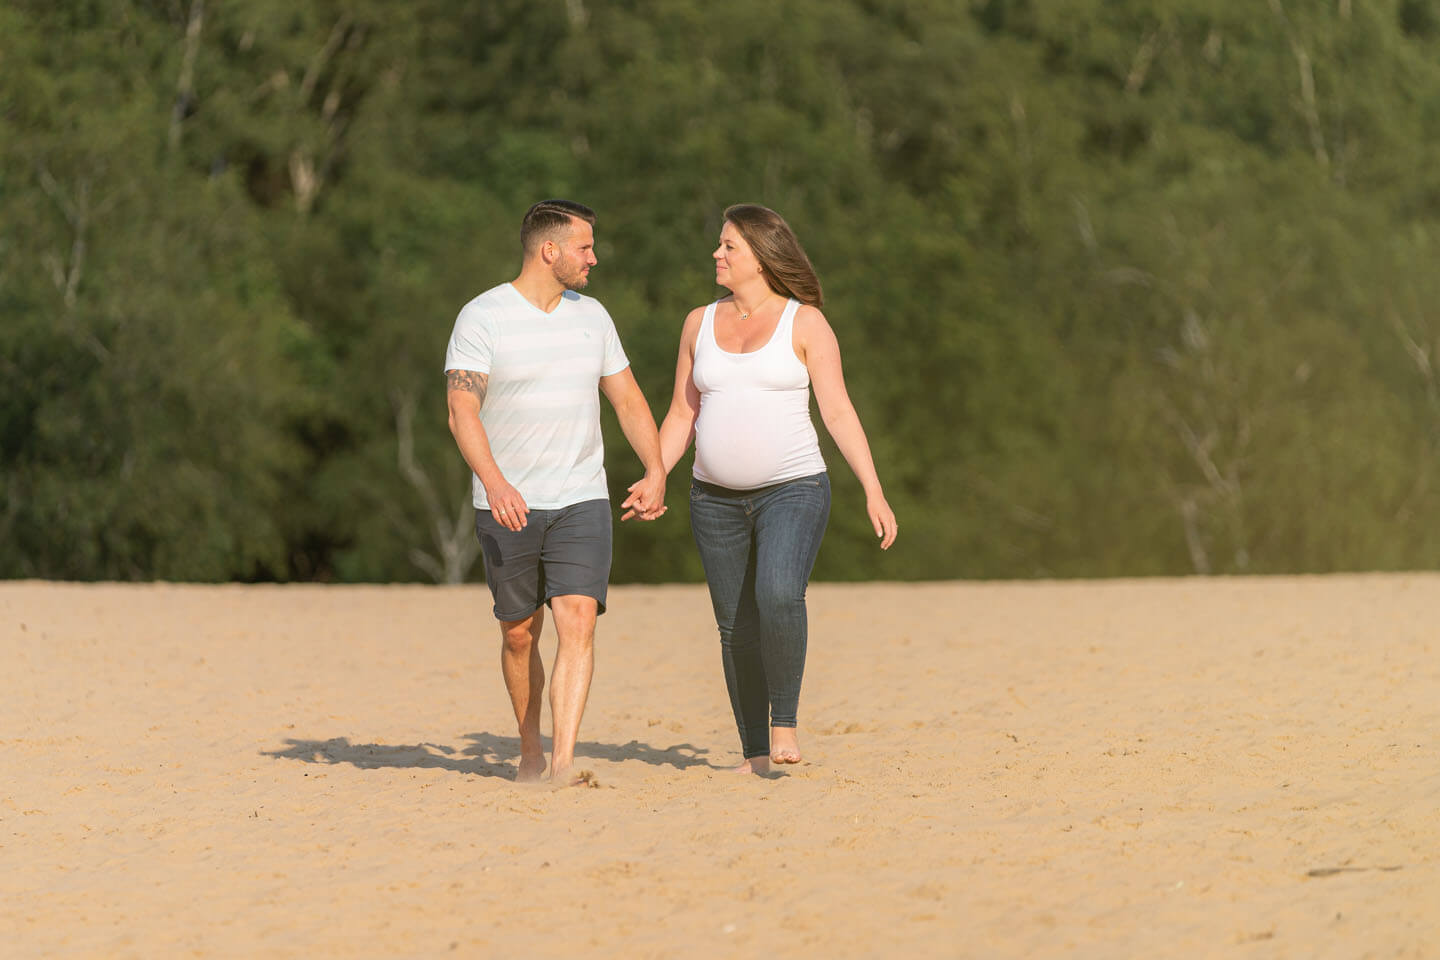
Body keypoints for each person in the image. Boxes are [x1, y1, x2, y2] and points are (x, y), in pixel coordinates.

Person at [646, 203, 898, 775]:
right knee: (735, 623)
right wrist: (655, 476)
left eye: (729, 246)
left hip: (794, 488)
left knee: (779, 594)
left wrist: (873, 489)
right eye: (720, 245)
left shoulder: (804, 323)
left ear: (761, 257)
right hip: (713, 500)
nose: (717, 253)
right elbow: (681, 415)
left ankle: (784, 721)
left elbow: (837, 411)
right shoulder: (697, 323)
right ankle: (755, 753)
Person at [444, 199, 666, 784]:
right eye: (585, 247)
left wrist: (656, 467)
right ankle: (530, 748)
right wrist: (495, 481)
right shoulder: (482, 316)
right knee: (519, 635)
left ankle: (564, 762)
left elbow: (627, 399)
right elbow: (461, 408)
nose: (593, 258)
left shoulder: (593, 317)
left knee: (578, 620)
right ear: (551, 251)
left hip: (581, 495)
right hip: (507, 502)